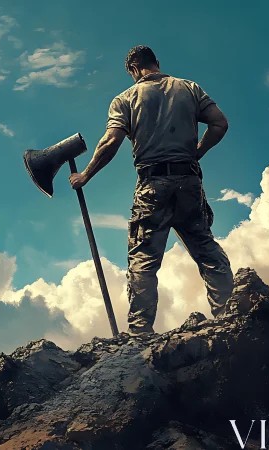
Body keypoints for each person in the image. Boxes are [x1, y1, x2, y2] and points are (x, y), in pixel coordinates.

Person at [68, 45, 235, 336]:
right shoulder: (189, 88)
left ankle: (140, 332)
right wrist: (198, 151)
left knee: (144, 259)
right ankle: (229, 316)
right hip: (188, 181)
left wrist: (85, 175)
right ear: (156, 63)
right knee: (207, 250)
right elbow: (220, 123)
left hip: (152, 185)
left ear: (132, 70)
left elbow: (110, 143)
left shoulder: (126, 99)